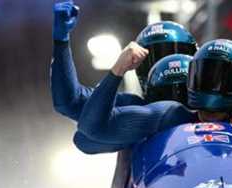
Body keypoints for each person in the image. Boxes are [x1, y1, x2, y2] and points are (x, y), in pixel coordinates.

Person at [75, 39, 232, 160]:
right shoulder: (167, 116)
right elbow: (88, 134)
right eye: (207, 76)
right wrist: (117, 71)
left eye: (222, 79)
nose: (213, 86)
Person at [51, 1, 197, 121]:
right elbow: (69, 102)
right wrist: (61, 42)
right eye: (154, 60)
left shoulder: (214, 105)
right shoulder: (130, 106)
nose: (170, 68)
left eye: (174, 55)